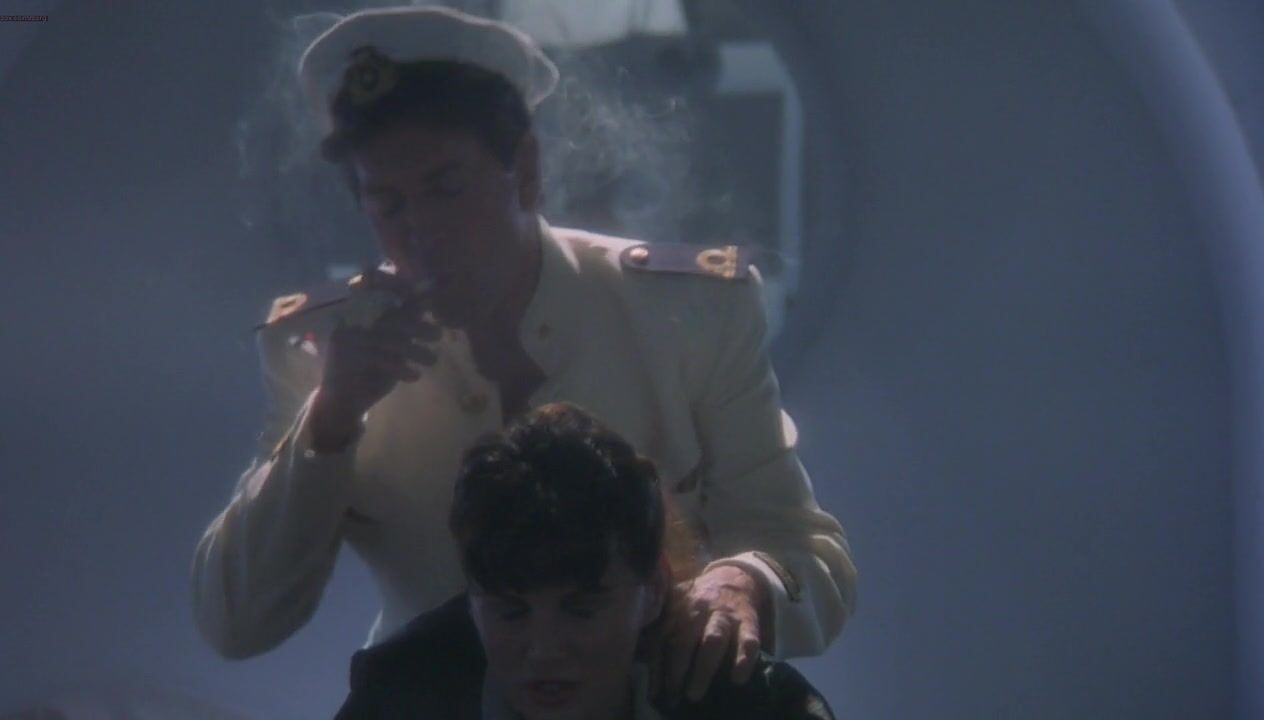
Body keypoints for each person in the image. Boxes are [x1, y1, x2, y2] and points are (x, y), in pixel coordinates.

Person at [192, 5, 856, 702]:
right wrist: (331, 419)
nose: (422, 230)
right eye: (388, 203)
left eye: (447, 187)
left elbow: (808, 552)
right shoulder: (325, 351)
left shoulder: (685, 314)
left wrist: (743, 582)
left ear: (527, 170)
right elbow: (236, 622)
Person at [334, 402, 835, 719]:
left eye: (581, 609)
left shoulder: (754, 707)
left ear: (653, 591)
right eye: (511, 611)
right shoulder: (398, 698)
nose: (544, 650)